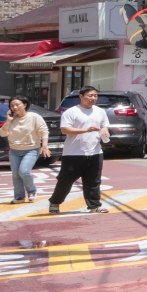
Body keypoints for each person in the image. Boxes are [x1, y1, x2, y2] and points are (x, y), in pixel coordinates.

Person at [49, 86, 110, 215]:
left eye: (95, 96)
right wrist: (86, 130)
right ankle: (55, 203)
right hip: (73, 153)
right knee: (66, 180)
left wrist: (105, 132)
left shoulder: (100, 111)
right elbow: (65, 130)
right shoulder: (71, 112)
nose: (93, 98)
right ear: (81, 97)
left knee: (93, 181)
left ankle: (94, 206)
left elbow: (104, 126)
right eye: (90, 96)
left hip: (95, 152)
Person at [0, 95, 48, 203]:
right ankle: (19, 196)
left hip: (31, 149)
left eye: (17, 104)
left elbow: (44, 132)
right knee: (16, 174)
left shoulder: (34, 117)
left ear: (25, 105)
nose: (14, 107)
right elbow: (2, 134)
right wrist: (8, 121)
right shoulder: (12, 119)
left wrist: (44, 146)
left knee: (24, 171)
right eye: (12, 105)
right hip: (14, 151)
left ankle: (32, 191)